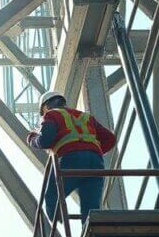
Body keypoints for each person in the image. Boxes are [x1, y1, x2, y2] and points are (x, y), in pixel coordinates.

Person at [27, 91, 116, 223]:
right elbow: (110, 139)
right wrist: (90, 150)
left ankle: (58, 223)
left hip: (71, 158)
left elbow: (45, 140)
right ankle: (92, 236)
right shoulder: (86, 117)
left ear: (46, 106)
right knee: (91, 211)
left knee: (52, 198)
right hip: (95, 162)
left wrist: (32, 139)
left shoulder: (52, 115)